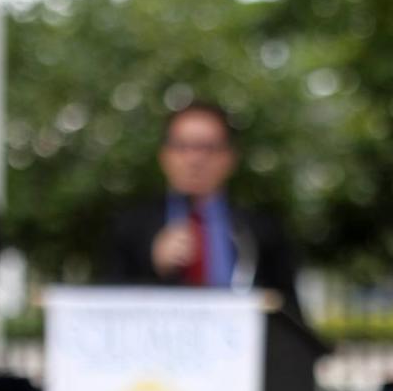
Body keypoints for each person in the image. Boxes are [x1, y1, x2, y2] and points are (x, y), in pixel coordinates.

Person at [104, 102, 303, 320]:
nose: (194, 159)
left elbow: (289, 314)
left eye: (208, 148)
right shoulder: (131, 226)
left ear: (229, 157)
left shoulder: (261, 230)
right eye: (182, 146)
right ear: (164, 156)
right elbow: (106, 311)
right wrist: (152, 262)